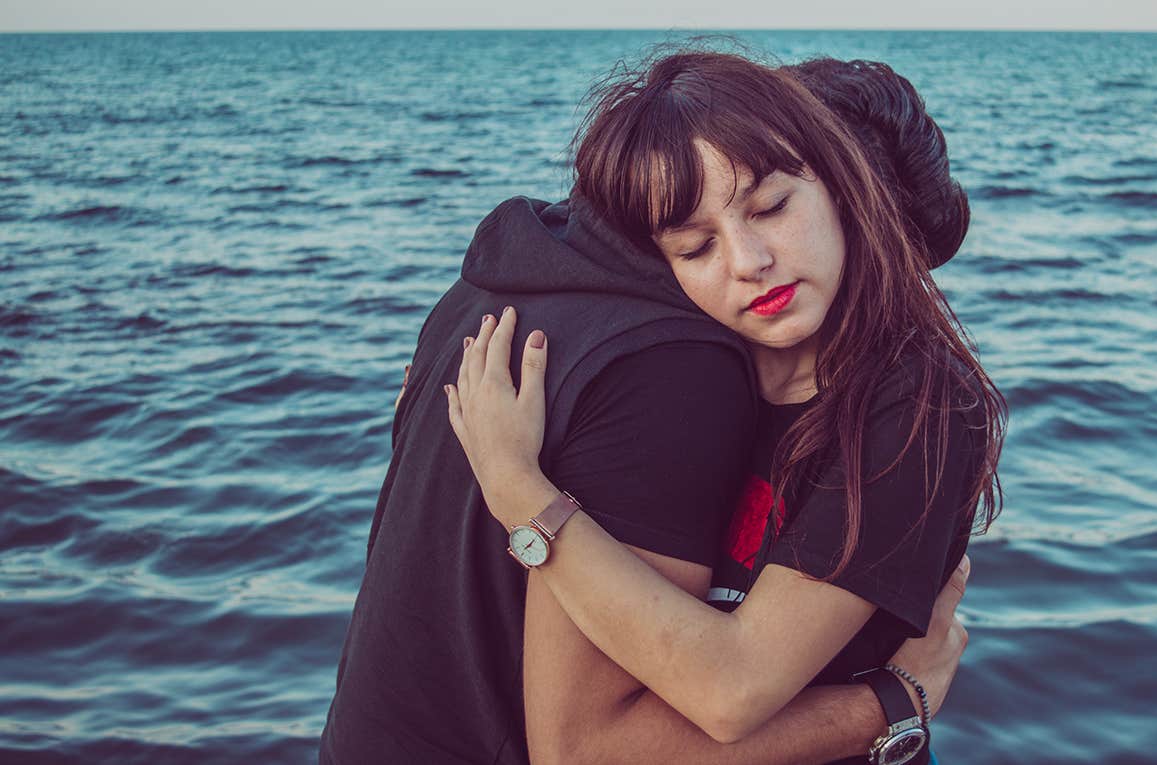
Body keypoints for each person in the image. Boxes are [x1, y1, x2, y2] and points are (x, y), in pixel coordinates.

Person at [321, 52, 978, 765]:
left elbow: (731, 687)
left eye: (773, 207)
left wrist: (521, 496)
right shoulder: (681, 365)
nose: (748, 259)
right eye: (696, 244)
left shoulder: (913, 406)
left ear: (842, 194)